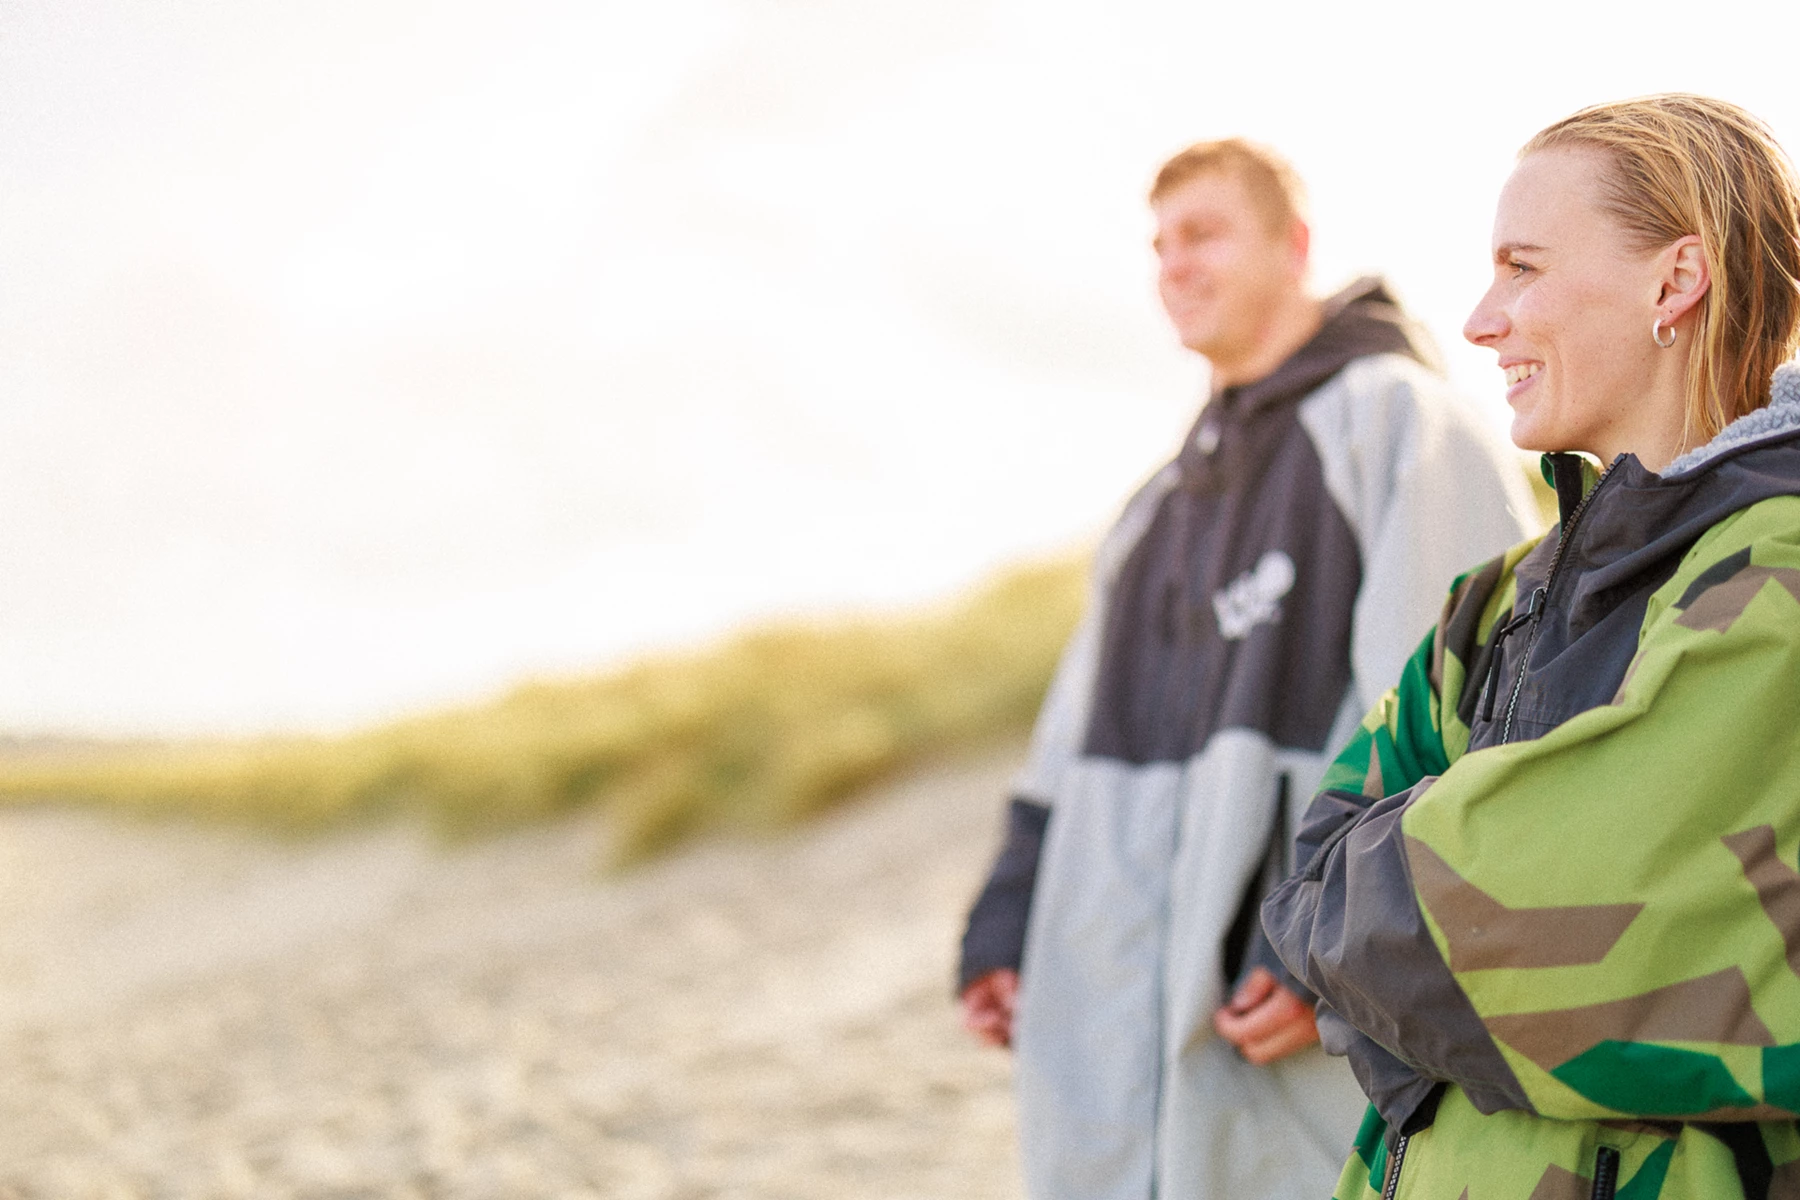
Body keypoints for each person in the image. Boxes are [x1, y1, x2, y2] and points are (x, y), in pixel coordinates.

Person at [956, 139, 1538, 1200]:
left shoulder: (1398, 423)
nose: (1174, 265)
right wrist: (1005, 918)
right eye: (1161, 244)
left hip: (1299, 1014)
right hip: (1130, 1037)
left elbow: (1460, 720)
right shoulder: (1156, 506)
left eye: (1206, 234)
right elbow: (1066, 741)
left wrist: (1324, 941)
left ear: (1294, 246)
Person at [1262, 94, 1800, 1200]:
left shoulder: (1779, 565)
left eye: (1524, 267)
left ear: (1675, 281)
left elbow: (1595, 932)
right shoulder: (1497, 599)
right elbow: (1312, 879)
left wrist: (1427, 958)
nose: (1478, 320)